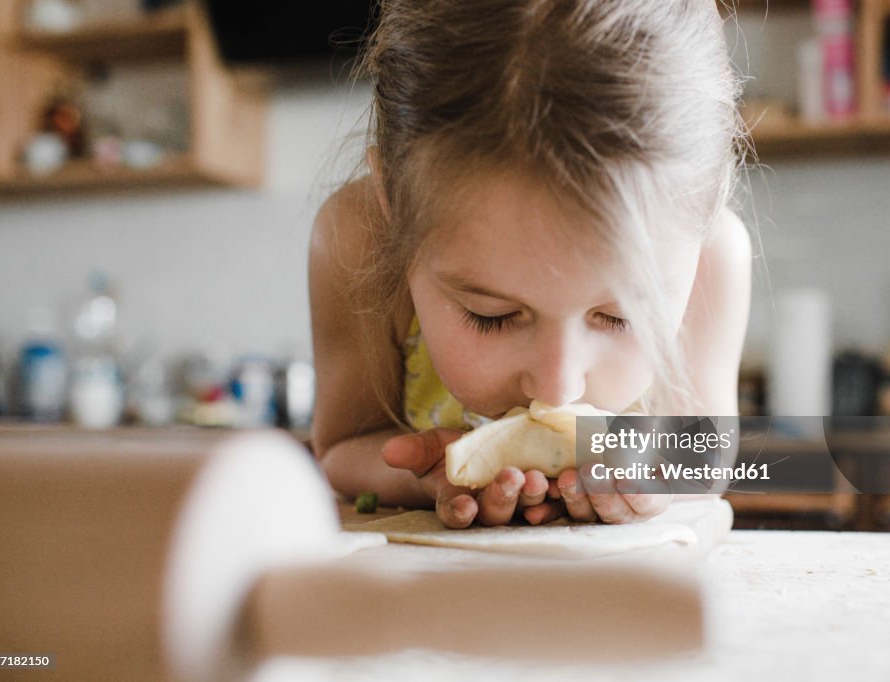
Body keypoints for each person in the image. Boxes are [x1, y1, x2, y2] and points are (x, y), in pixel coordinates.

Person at [309, 0, 752, 528]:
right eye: (490, 315)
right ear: (392, 204)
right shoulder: (355, 237)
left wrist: (652, 480)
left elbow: (707, 456)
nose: (557, 387)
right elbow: (343, 450)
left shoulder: (711, 254)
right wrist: (427, 477)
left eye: (620, 317)